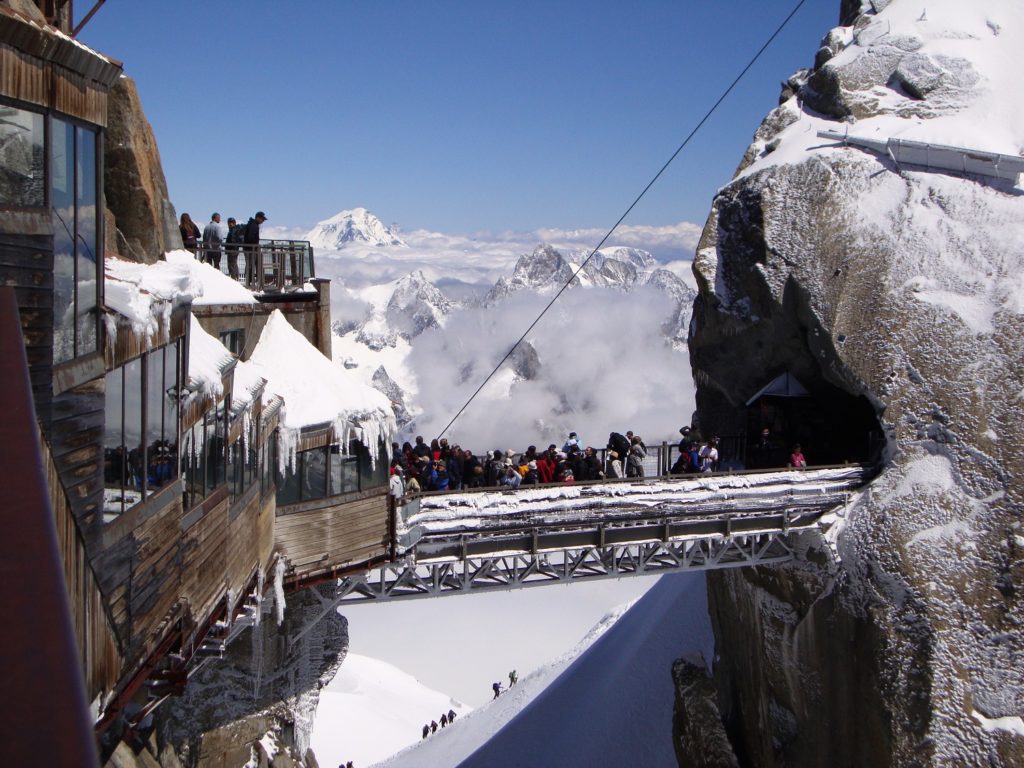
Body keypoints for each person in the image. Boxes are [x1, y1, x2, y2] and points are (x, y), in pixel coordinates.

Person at [244, 211, 267, 280]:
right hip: (251, 249)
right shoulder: (253, 226)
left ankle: (250, 281)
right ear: (257, 218)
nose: (263, 221)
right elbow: (250, 237)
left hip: (250, 249)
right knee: (250, 265)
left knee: (251, 265)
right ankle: (249, 281)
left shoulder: (252, 224)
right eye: (262, 219)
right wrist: (255, 245)